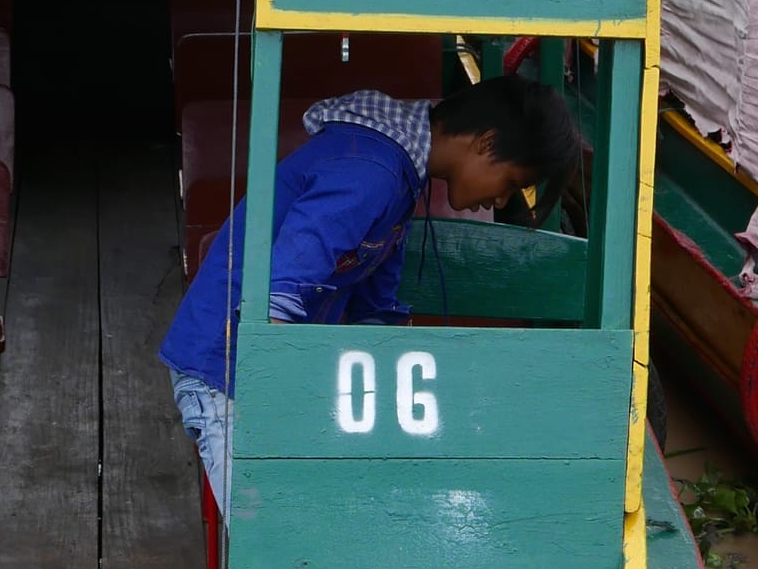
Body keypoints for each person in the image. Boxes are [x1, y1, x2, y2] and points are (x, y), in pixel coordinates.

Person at [161, 74, 583, 509]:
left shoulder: (400, 176)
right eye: (511, 182)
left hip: (270, 372)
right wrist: (291, 417)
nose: (499, 200)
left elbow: (375, 308)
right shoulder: (371, 170)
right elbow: (277, 298)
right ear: (485, 142)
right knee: (271, 533)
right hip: (228, 374)